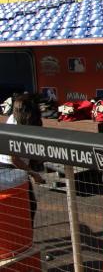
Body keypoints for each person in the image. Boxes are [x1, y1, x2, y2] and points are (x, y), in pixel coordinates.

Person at [0, 93, 45, 223]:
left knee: (22, 208)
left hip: (11, 169)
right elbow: (14, 159)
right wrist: (34, 174)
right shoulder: (14, 125)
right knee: (28, 208)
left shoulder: (15, 118)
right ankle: (23, 239)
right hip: (9, 170)